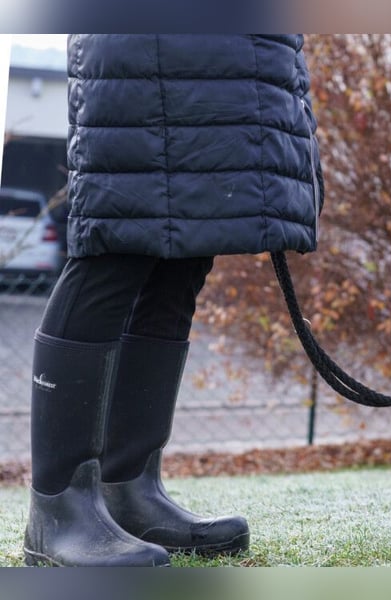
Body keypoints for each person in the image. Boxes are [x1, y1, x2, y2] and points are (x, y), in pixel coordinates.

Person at [23, 34, 323, 567]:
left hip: (234, 63)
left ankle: (130, 489)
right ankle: (59, 512)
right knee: (115, 245)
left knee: (186, 254)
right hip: (141, 53)